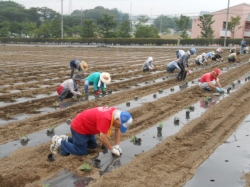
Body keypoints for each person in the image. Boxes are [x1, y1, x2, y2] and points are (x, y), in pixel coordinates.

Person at [50, 106, 133, 156]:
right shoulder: (106, 118)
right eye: (120, 125)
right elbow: (103, 138)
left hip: (88, 127)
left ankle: (67, 139)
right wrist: (112, 149)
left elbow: (117, 130)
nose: (119, 127)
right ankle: (59, 141)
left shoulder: (116, 114)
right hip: (80, 128)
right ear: (118, 119)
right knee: (81, 151)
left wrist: (117, 146)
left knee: (93, 146)